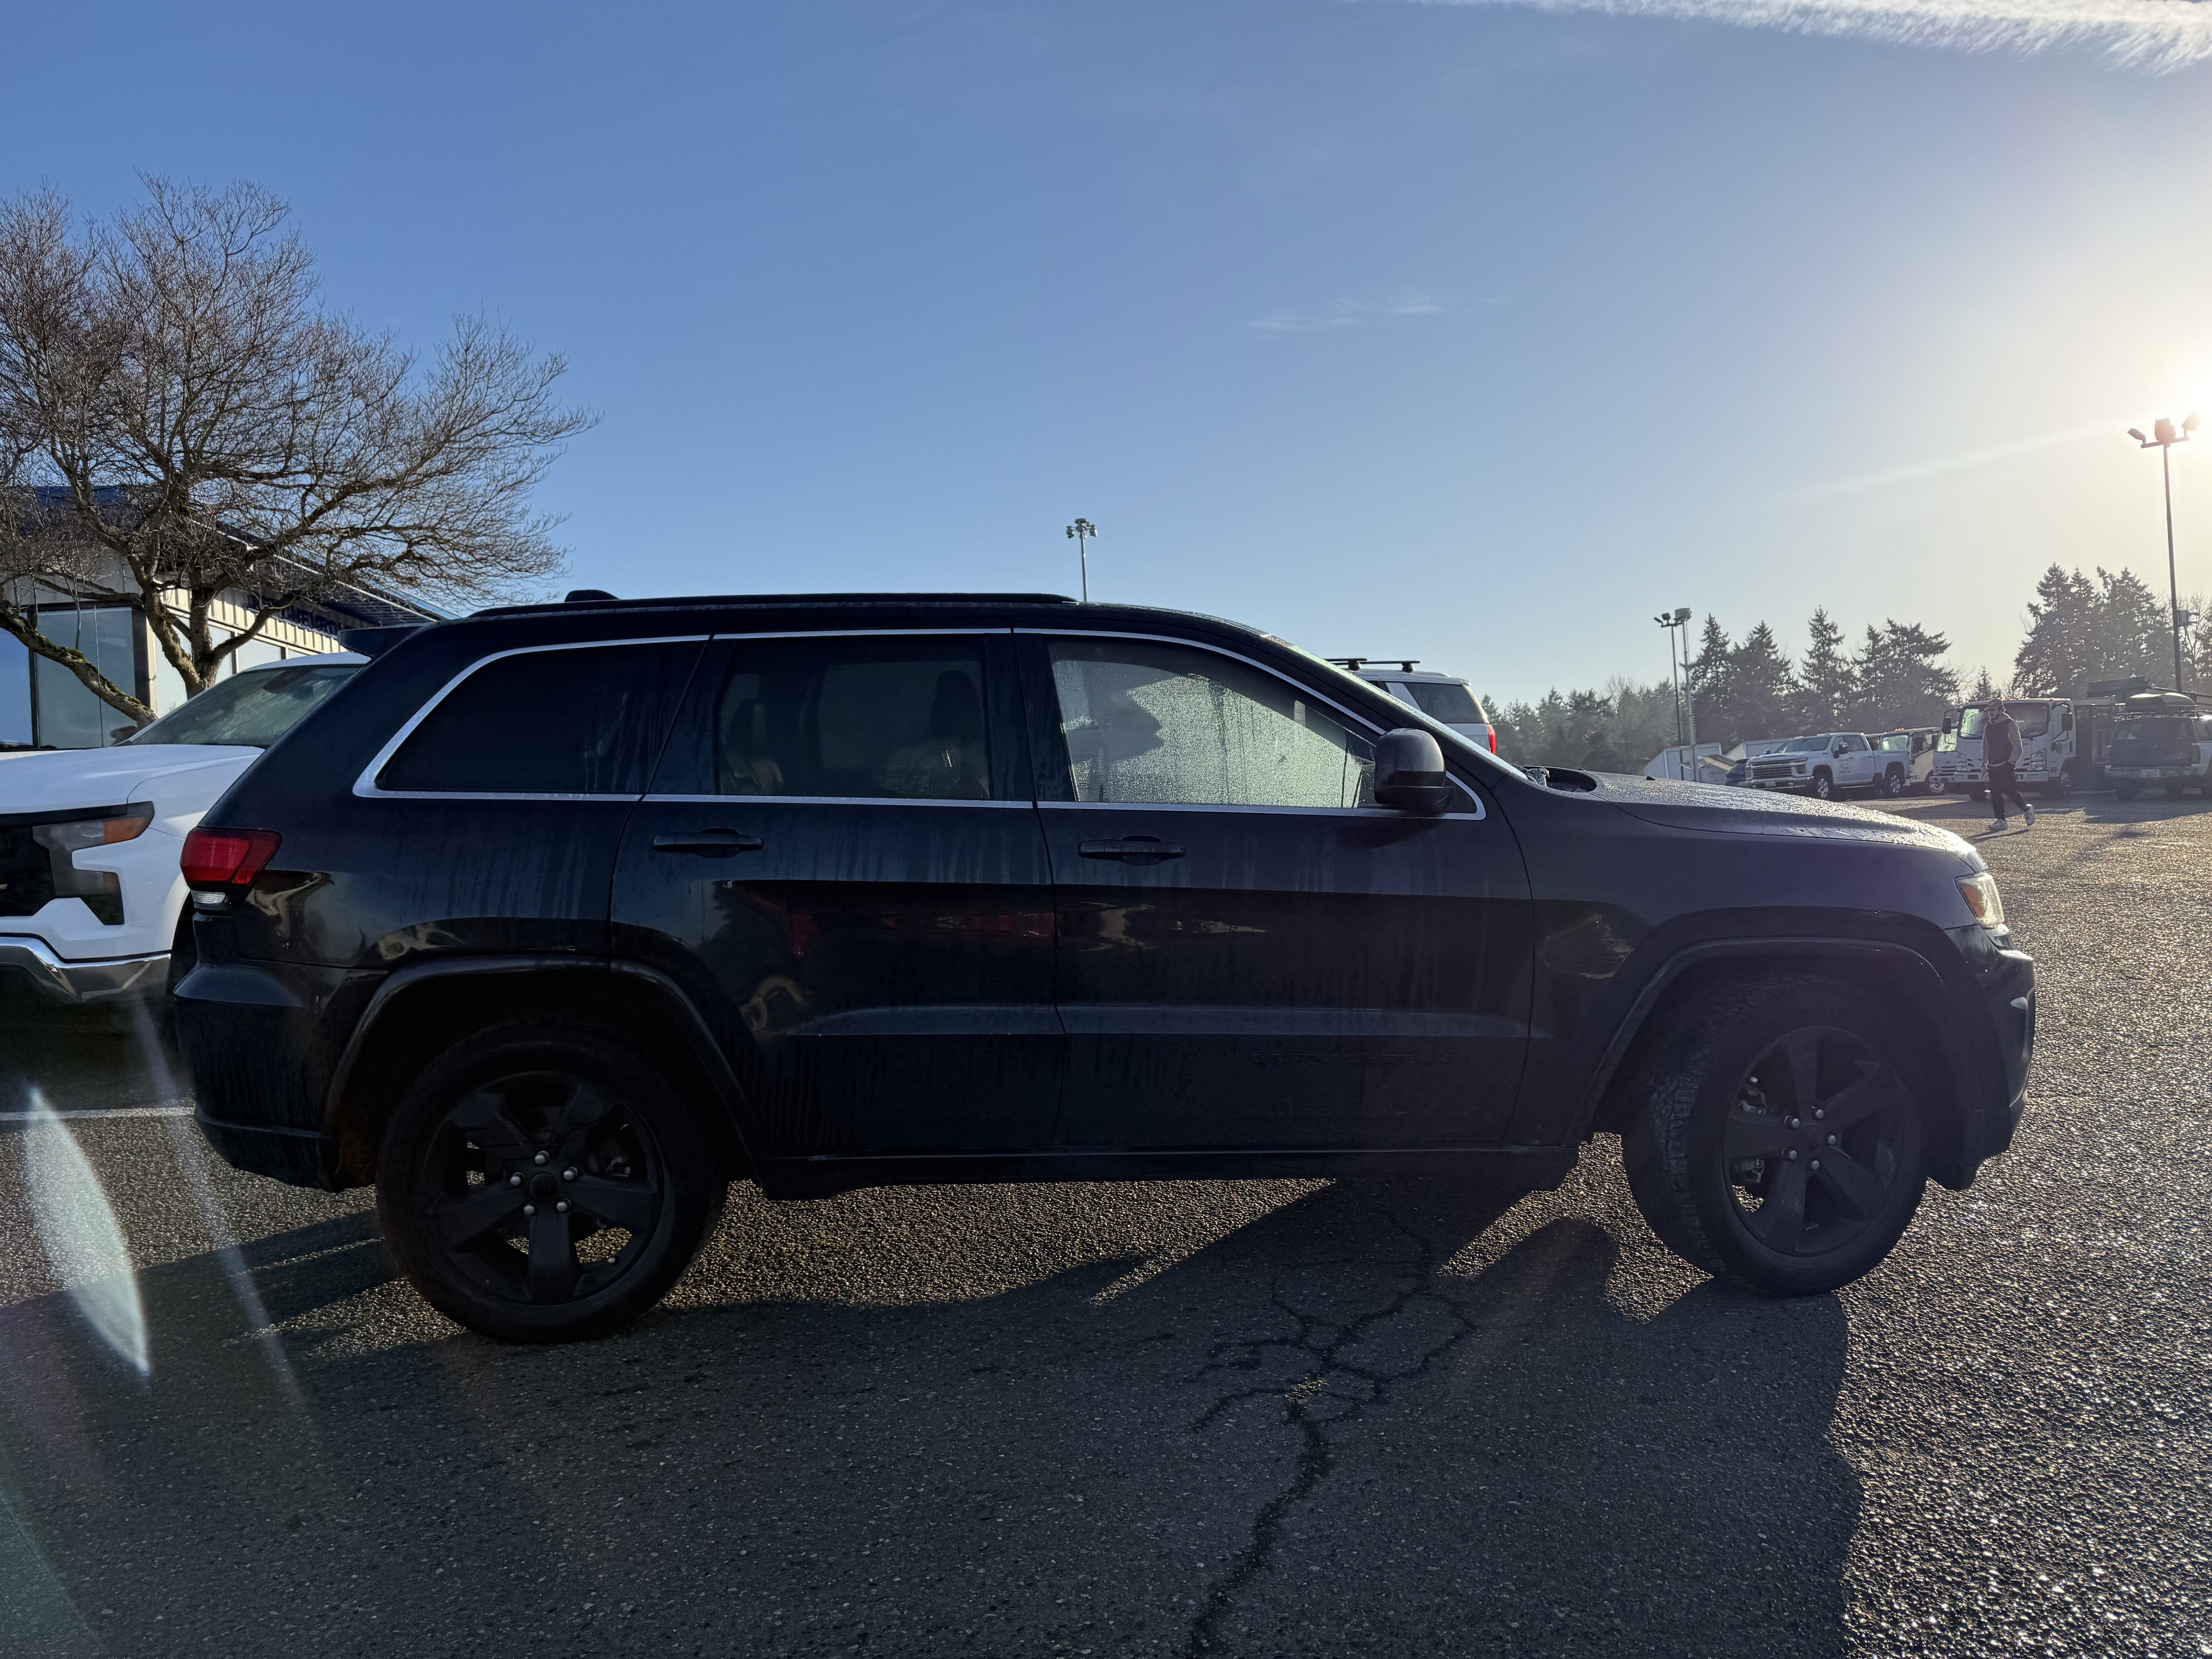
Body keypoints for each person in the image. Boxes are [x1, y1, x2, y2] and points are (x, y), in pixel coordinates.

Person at [1983, 701, 2034, 830]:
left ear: (2001, 710)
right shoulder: (1988, 727)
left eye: (1993, 710)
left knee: (2010, 791)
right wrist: (1984, 763)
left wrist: (2011, 762)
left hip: (2006, 764)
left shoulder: (2010, 725)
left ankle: (2027, 809)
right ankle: (2001, 821)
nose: (1991, 713)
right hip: (1993, 766)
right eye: (1989, 710)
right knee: (1994, 793)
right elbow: (1986, 747)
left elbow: (2018, 747)